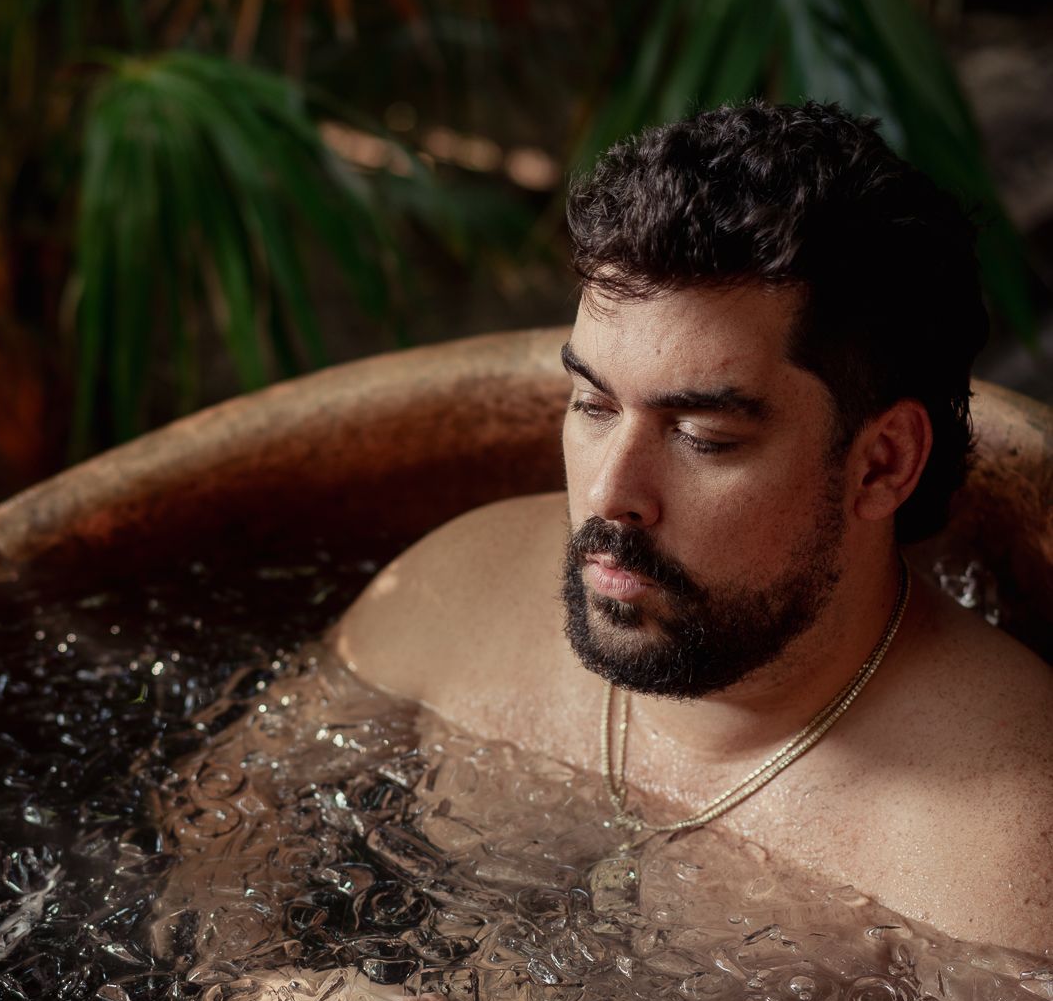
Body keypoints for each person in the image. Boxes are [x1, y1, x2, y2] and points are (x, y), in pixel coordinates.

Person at [329, 101, 1053, 955]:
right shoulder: (456, 591)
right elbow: (217, 848)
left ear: (881, 464)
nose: (609, 494)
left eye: (702, 437)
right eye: (593, 405)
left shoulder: (999, 852)